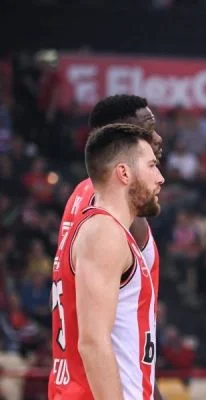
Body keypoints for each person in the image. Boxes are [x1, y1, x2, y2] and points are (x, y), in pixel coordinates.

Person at [49, 123, 164, 399]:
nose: (160, 178)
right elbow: (93, 343)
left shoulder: (106, 230)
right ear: (124, 173)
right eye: (151, 166)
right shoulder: (104, 232)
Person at [58, 94, 163, 297]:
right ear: (116, 136)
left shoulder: (85, 192)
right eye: (147, 130)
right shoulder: (105, 206)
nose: (158, 138)